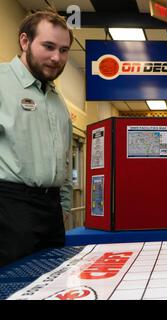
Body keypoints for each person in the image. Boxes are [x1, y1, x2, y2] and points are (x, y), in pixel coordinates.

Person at [0, 9, 74, 266]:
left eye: (64, 50)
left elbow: (64, 160)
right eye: (48, 46)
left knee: (52, 286)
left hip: (51, 212)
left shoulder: (56, 99)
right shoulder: (1, 83)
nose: (56, 57)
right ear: (24, 41)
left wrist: (63, 208)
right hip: (10, 210)